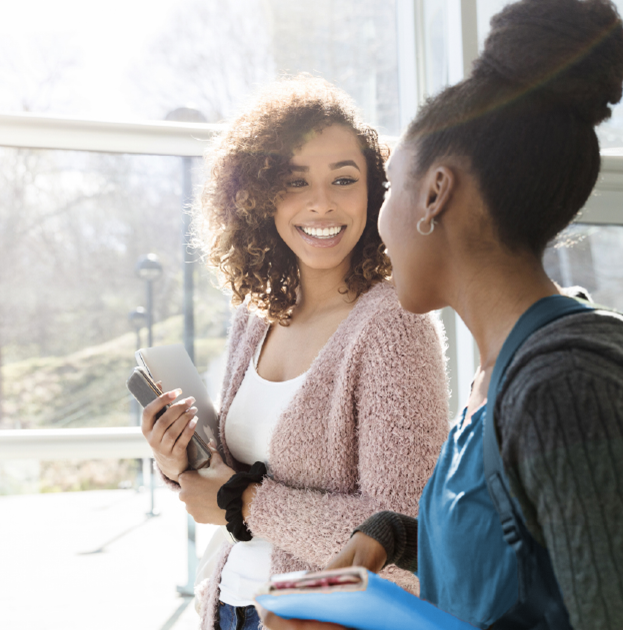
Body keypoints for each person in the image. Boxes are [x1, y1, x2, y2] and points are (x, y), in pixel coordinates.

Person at [261, 1, 623, 629]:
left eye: (390, 191)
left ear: (435, 193)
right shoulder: (505, 373)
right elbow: (515, 558)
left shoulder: (566, 387)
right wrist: (389, 537)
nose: (378, 223)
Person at [139, 76, 451, 630]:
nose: (322, 203)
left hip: (317, 621)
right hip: (228, 607)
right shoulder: (254, 318)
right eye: (295, 181)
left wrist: (244, 501)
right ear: (260, 198)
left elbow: (403, 535)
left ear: (374, 193)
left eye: (344, 179)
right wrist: (177, 460)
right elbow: (227, 480)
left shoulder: (395, 327)